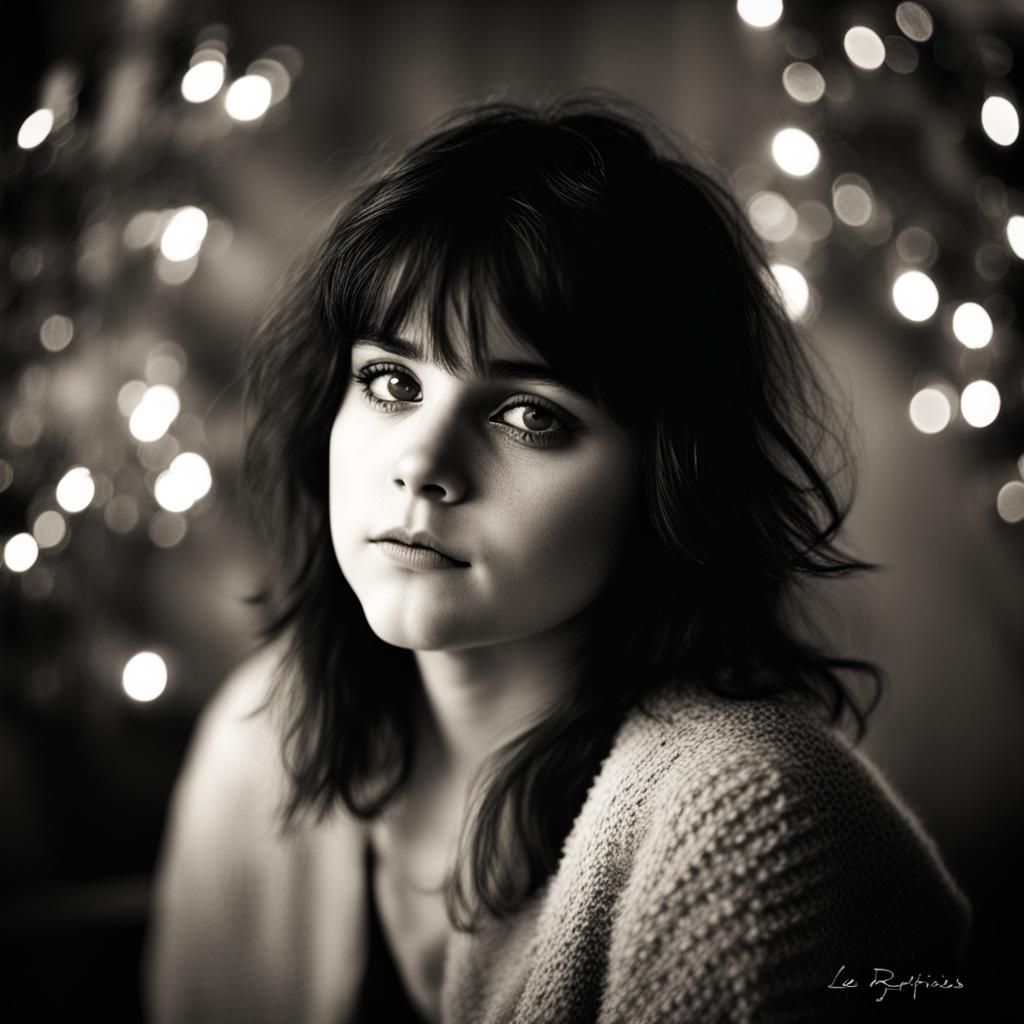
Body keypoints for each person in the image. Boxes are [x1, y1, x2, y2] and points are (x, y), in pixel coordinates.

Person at [144, 93, 970, 1023]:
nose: (421, 464)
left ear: (666, 479)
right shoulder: (261, 739)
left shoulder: (756, 826)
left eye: (531, 414)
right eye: (390, 382)